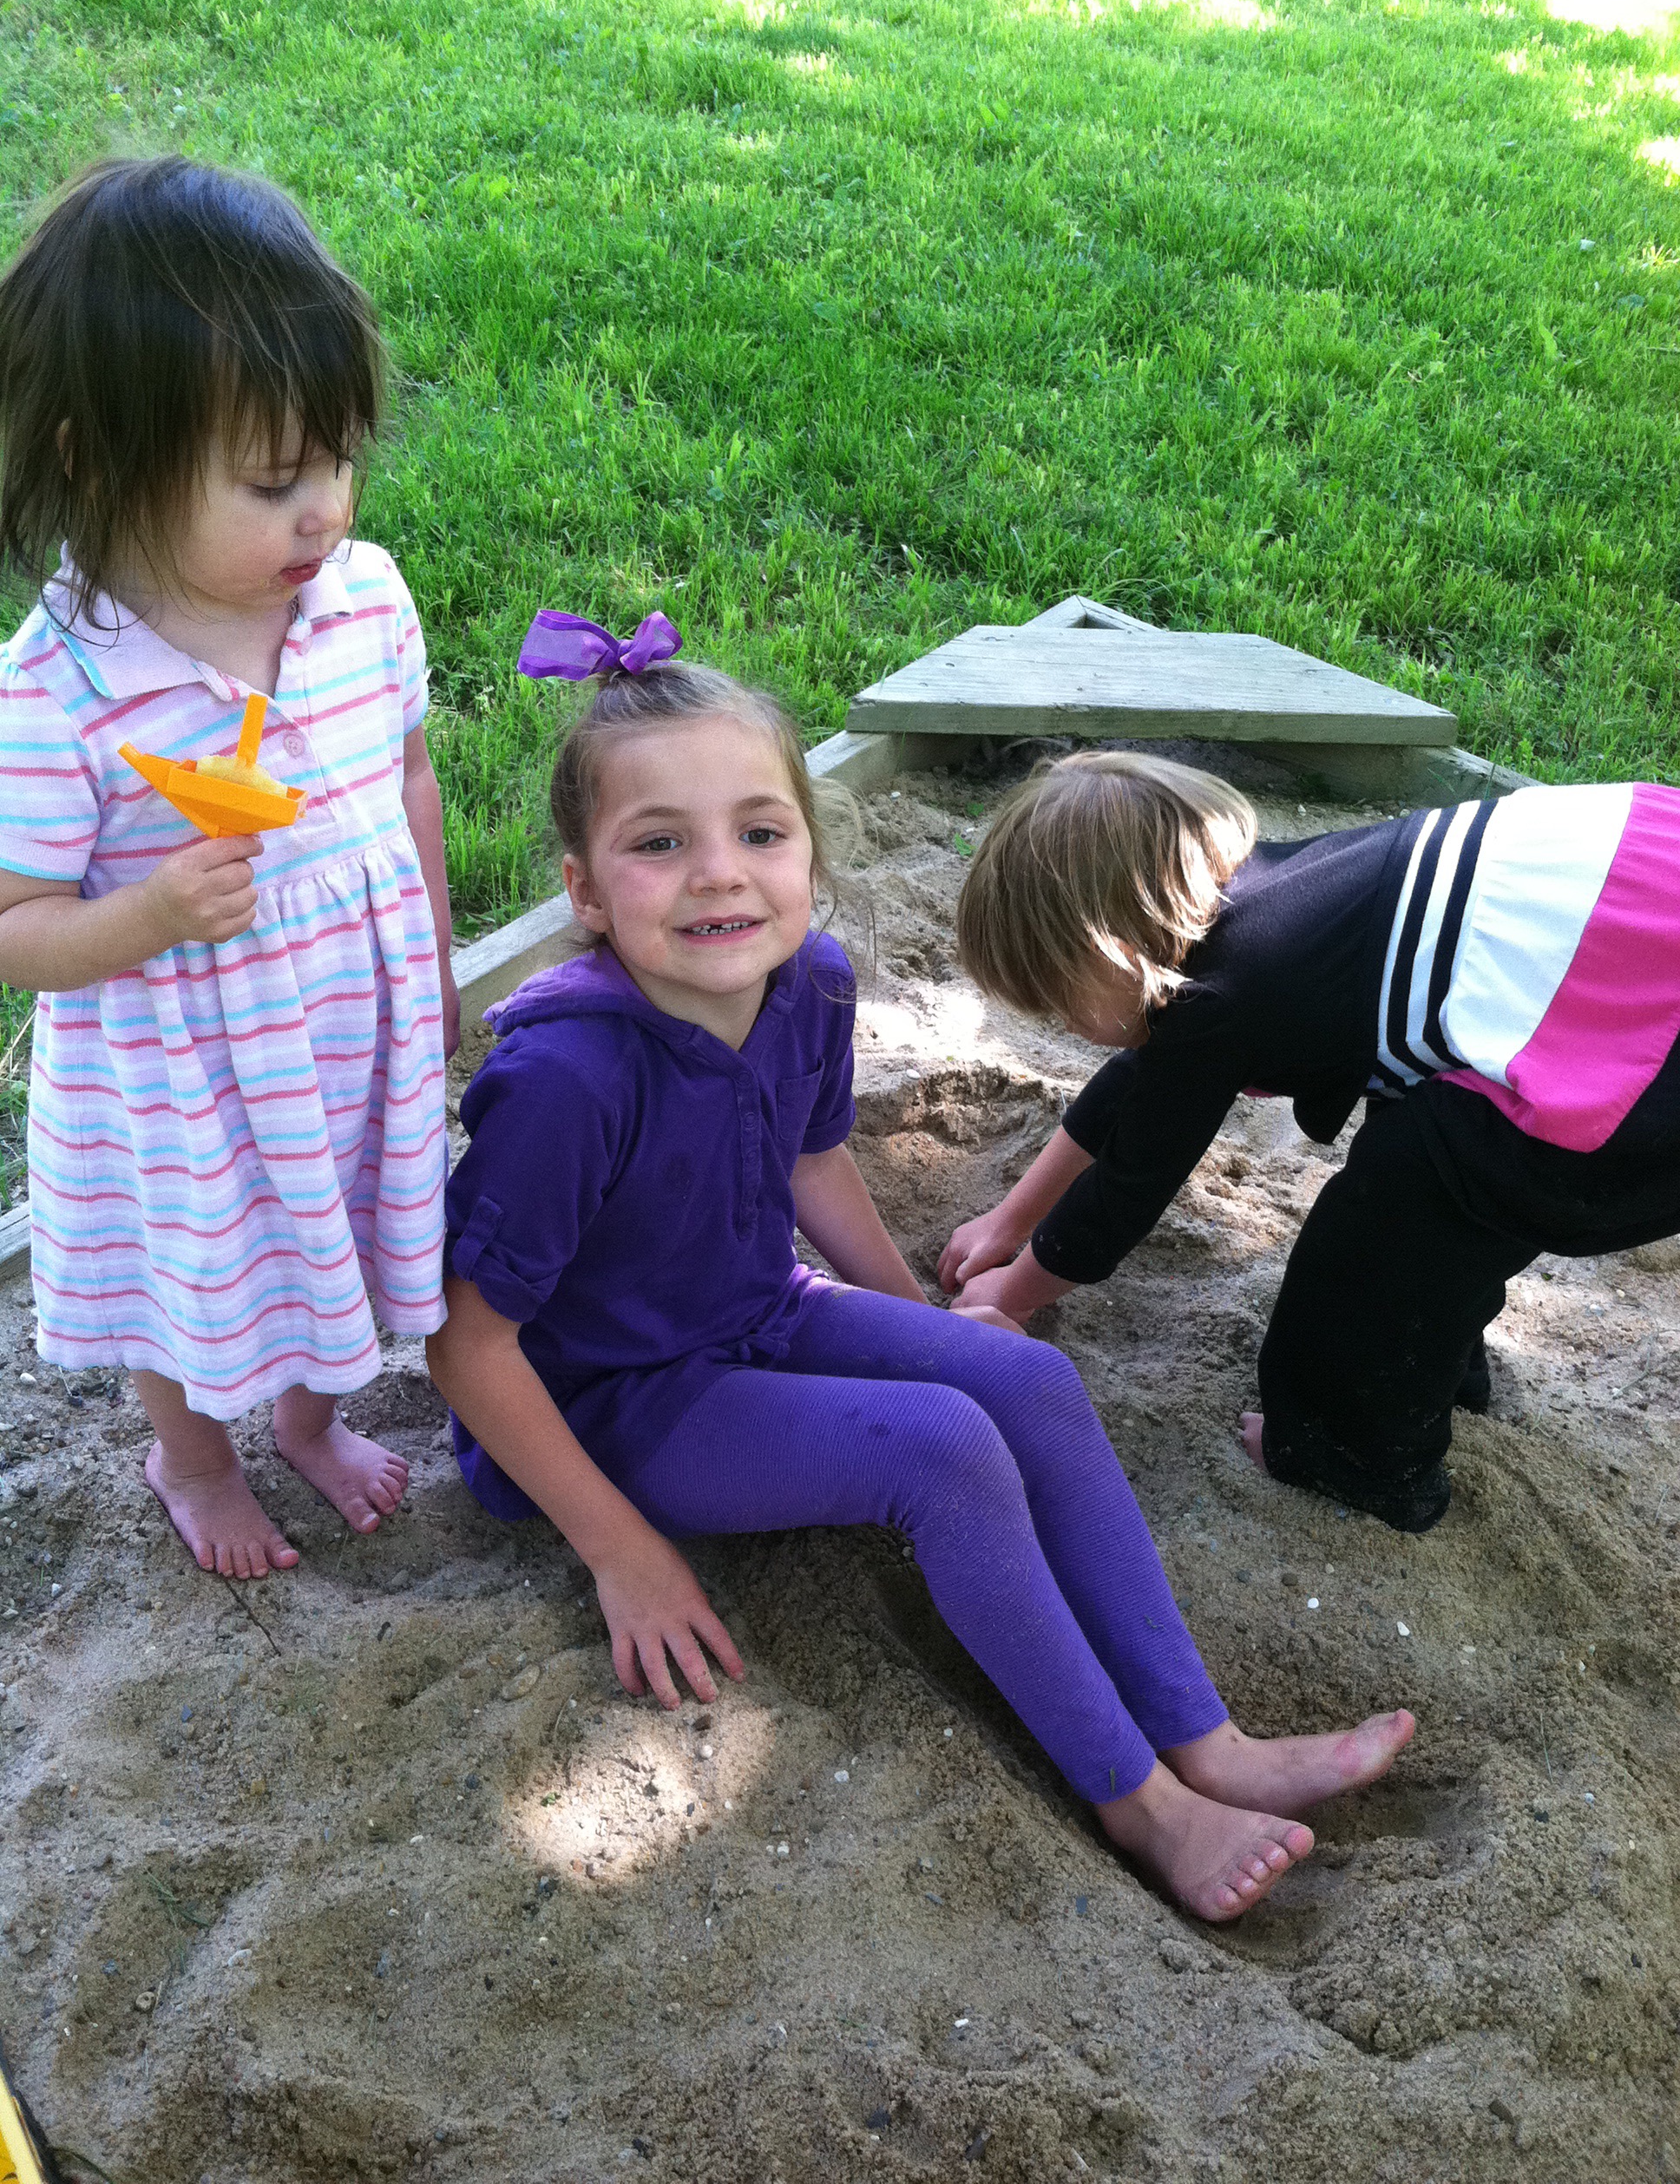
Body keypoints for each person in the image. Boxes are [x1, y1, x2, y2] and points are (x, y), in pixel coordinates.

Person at [425, 626, 1413, 1924]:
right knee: (943, 1451)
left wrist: (921, 1329)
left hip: (755, 1313)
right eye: (659, 843)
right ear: (586, 891)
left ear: (809, 854)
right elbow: (465, 1344)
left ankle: (1207, 1742)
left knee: (1019, 1378)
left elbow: (810, 1163)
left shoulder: (809, 985)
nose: (718, 873)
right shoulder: (564, 1079)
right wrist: (622, 1552)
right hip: (616, 1400)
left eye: (760, 832)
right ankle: (1147, 1808)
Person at [0, 157, 457, 1578]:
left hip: (350, 1022)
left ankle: (313, 1419)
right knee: (193, 1266)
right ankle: (192, 1457)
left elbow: (408, 777)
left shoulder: (363, 603)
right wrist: (145, 913)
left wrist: (438, 959)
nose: (325, 509)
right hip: (185, 1077)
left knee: (354, 1223)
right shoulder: (57, 690)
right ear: (96, 461)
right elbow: (14, 922)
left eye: (337, 460)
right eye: (272, 482)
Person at [942, 750, 1680, 1534]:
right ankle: (1432, 1365)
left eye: (1059, 1004)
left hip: (1644, 1049)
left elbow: (1124, 1194)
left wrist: (1010, 1297)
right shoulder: (1266, 905)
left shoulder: (1216, 1004)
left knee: (1403, 1198)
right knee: (1437, 1145)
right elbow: (1135, 1088)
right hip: (1629, 923)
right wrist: (1010, 1221)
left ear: (1115, 954)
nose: (1063, 1026)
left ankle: (1354, 1454)